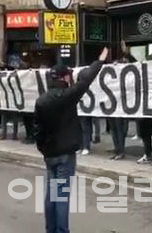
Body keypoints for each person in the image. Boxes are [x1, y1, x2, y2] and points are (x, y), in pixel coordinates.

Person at [33, 47, 108, 233]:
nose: (70, 79)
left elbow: (38, 129)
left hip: (50, 154)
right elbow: (87, 79)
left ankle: (51, 229)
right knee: (62, 197)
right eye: (68, 76)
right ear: (64, 78)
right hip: (65, 154)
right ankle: (61, 230)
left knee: (51, 195)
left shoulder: (41, 100)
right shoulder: (68, 96)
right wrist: (100, 60)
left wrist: (43, 148)